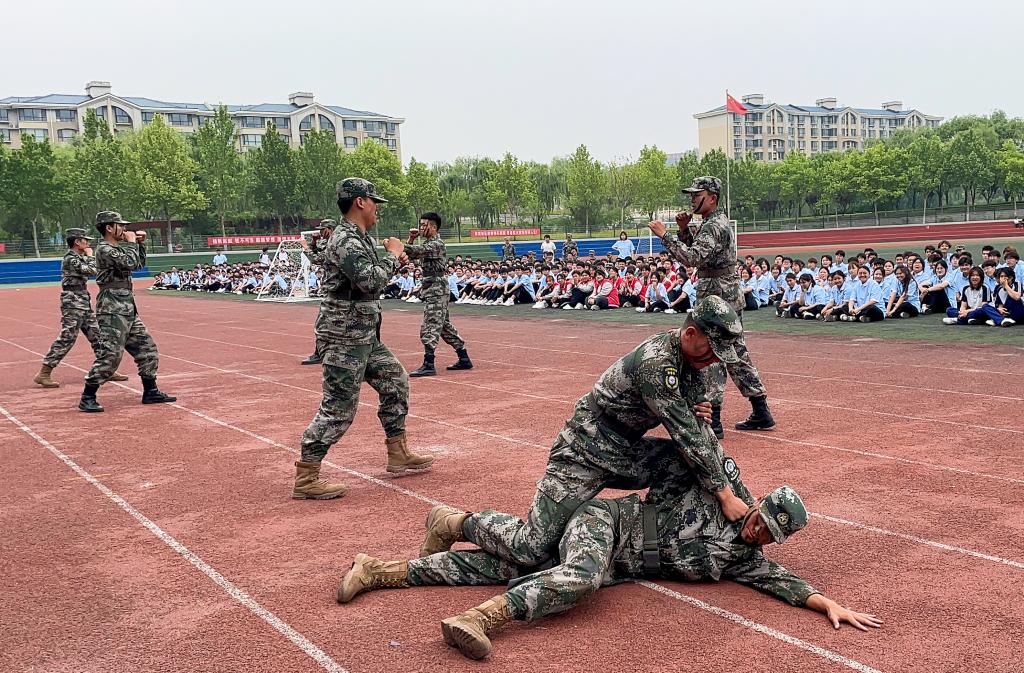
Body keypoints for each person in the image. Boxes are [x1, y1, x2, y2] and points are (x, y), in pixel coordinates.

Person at [336, 464, 880, 661]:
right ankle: (483, 618)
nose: (759, 532)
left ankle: (380, 570)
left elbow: (784, 583)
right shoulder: (718, 492)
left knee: (500, 566)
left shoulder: (745, 559)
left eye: (769, 535)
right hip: (607, 522)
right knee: (578, 577)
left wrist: (828, 604)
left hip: (622, 563)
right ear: (757, 504)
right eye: (761, 520)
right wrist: (704, 421)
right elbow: (696, 451)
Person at [414, 296, 753, 572]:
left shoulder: (692, 362)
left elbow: (697, 428)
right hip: (585, 450)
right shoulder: (656, 364)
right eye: (711, 350)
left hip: (625, 449)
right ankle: (454, 523)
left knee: (680, 464)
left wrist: (698, 413)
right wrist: (726, 495)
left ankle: (651, 540)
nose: (713, 360)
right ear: (690, 334)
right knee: (531, 547)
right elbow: (687, 435)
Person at [294, 178, 434, 500]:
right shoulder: (345, 239)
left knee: (396, 382)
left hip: (365, 334)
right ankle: (307, 475)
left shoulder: (359, 238)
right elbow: (370, 281)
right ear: (360, 202)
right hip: (344, 337)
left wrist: (393, 260)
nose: (377, 209)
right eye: (374, 202)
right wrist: (393, 255)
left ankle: (398, 452)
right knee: (339, 407)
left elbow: (370, 280)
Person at [650, 176, 773, 438]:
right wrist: (684, 231)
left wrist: (665, 236)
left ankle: (714, 419)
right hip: (724, 292)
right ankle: (760, 408)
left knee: (711, 352)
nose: (692, 199)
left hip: (717, 296)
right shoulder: (714, 222)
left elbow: (692, 258)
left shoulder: (713, 225)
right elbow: (701, 252)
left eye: (697, 195)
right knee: (736, 351)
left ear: (712, 198)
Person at [79, 212, 175, 412]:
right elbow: (129, 263)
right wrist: (131, 243)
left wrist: (140, 245)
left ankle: (151, 391)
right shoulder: (104, 249)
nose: (124, 229)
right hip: (112, 309)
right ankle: (88, 396)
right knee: (111, 355)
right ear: (109, 228)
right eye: (120, 225)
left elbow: (138, 264)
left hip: (127, 308)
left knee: (147, 350)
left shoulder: (118, 250)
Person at [35, 229, 129, 388]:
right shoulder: (70, 259)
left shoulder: (78, 257)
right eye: (85, 240)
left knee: (98, 336)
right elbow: (92, 270)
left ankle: (106, 370)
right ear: (77, 242)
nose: (88, 243)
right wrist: (91, 255)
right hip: (73, 301)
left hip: (82, 299)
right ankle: (44, 373)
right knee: (68, 337)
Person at [405, 212, 473, 376]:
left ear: (434, 227)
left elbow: (417, 251)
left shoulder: (436, 244)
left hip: (437, 288)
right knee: (443, 325)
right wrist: (411, 239)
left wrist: (398, 246)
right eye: (421, 224)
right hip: (432, 286)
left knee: (431, 323)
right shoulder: (429, 243)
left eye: (424, 225)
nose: (421, 228)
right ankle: (464, 358)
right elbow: (412, 256)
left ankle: (429, 363)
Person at [299, 219, 336, 366]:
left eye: (322, 229)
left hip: (335, 290)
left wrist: (306, 247)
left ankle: (320, 353)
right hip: (333, 289)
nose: (320, 232)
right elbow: (318, 252)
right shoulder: (328, 241)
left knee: (323, 323)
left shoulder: (335, 242)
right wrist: (314, 243)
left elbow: (317, 259)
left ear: (329, 229)